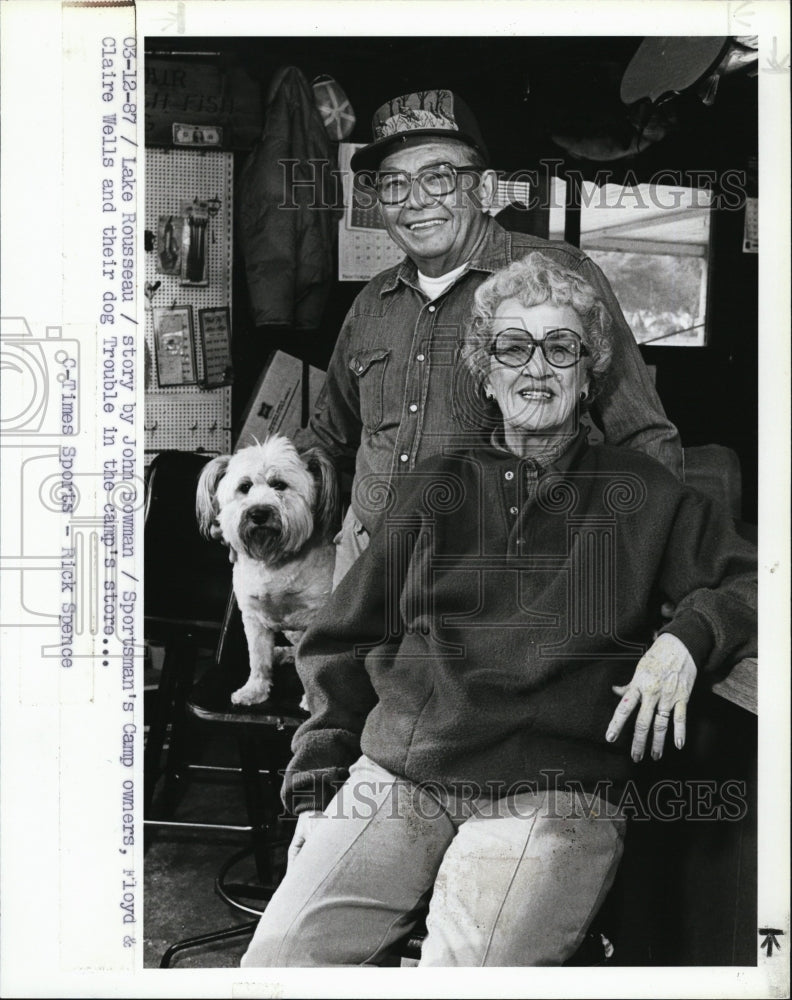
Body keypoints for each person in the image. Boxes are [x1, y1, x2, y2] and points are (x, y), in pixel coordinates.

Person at [240, 253, 756, 968]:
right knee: (279, 963)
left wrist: (688, 640)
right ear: (485, 370)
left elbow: (752, 579)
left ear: (589, 371)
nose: (535, 368)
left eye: (560, 347)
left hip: (555, 792)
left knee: (469, 976)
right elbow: (344, 640)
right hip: (402, 773)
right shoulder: (438, 486)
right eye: (513, 347)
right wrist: (318, 787)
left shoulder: (643, 492)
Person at [294, 88, 682, 586]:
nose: (415, 201)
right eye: (393, 183)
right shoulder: (373, 302)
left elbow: (645, 438)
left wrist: (637, 571)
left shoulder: (557, 279)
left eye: (438, 177)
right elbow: (329, 437)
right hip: (366, 570)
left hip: (497, 584)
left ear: (485, 187)